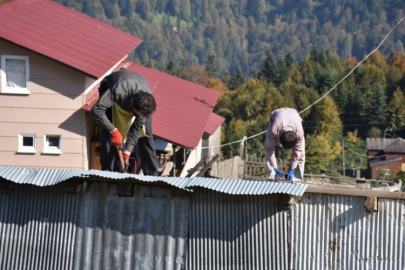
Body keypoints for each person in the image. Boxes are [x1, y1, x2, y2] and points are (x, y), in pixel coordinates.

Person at [91, 69, 159, 175]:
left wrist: (127, 153)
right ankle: (107, 173)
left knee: (146, 133)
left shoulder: (146, 102)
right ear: (132, 103)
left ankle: (152, 176)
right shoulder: (118, 91)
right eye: (137, 113)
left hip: (137, 86)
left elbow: (136, 129)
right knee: (107, 132)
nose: (138, 116)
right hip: (111, 86)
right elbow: (96, 110)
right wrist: (113, 130)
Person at [265, 107, 305, 182]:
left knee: (301, 153)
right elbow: (269, 149)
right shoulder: (274, 129)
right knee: (268, 150)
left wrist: (292, 168)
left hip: (294, 120)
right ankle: (272, 177)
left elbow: (298, 151)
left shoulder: (299, 132)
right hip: (275, 119)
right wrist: (275, 168)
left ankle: (296, 179)